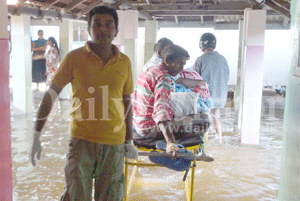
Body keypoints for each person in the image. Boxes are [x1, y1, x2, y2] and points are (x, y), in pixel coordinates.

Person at [29, 5, 138, 201]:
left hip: (114, 145)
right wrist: (36, 134)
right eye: (97, 24)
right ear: (88, 29)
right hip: (81, 142)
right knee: (76, 196)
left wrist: (129, 141)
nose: (103, 29)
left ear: (116, 31)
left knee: (111, 196)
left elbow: (127, 102)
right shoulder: (74, 58)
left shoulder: (124, 62)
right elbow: (51, 94)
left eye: (108, 25)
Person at [132, 44, 191, 157]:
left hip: (138, 124)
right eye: (179, 63)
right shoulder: (163, 78)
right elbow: (161, 111)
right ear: (168, 60)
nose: (181, 69)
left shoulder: (150, 70)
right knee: (201, 121)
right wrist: (171, 142)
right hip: (148, 129)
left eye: (183, 65)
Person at [193, 32, 230, 144]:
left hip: (205, 97)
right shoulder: (223, 59)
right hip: (219, 96)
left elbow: (194, 78)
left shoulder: (200, 60)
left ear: (201, 45)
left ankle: (205, 144)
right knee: (216, 118)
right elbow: (227, 76)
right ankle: (220, 141)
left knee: (205, 120)